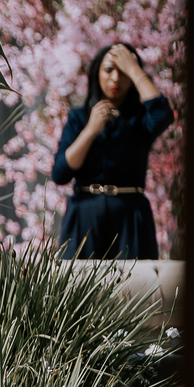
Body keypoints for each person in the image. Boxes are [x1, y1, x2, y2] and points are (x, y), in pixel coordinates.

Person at [52, 41, 173, 259]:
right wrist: (91, 130)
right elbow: (60, 174)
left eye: (123, 72)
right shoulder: (79, 118)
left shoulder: (140, 120)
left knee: (136, 280)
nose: (116, 78)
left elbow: (162, 115)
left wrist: (134, 69)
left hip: (130, 217)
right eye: (109, 70)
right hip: (85, 217)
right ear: (96, 73)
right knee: (80, 281)